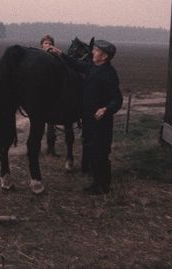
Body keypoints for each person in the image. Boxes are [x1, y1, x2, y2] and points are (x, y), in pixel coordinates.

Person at [49, 39, 123, 195]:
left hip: (101, 122)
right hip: (88, 119)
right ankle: (96, 183)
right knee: (90, 149)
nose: (93, 53)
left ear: (104, 56)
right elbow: (75, 64)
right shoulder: (92, 67)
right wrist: (59, 53)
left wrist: (106, 109)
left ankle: (103, 186)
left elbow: (117, 98)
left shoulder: (109, 73)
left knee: (101, 152)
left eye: (96, 51)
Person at [40, 34, 60, 156]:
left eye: (49, 43)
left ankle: (51, 148)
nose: (47, 45)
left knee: (51, 125)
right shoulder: (37, 57)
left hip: (51, 94)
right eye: (45, 43)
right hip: (40, 94)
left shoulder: (55, 57)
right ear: (42, 45)